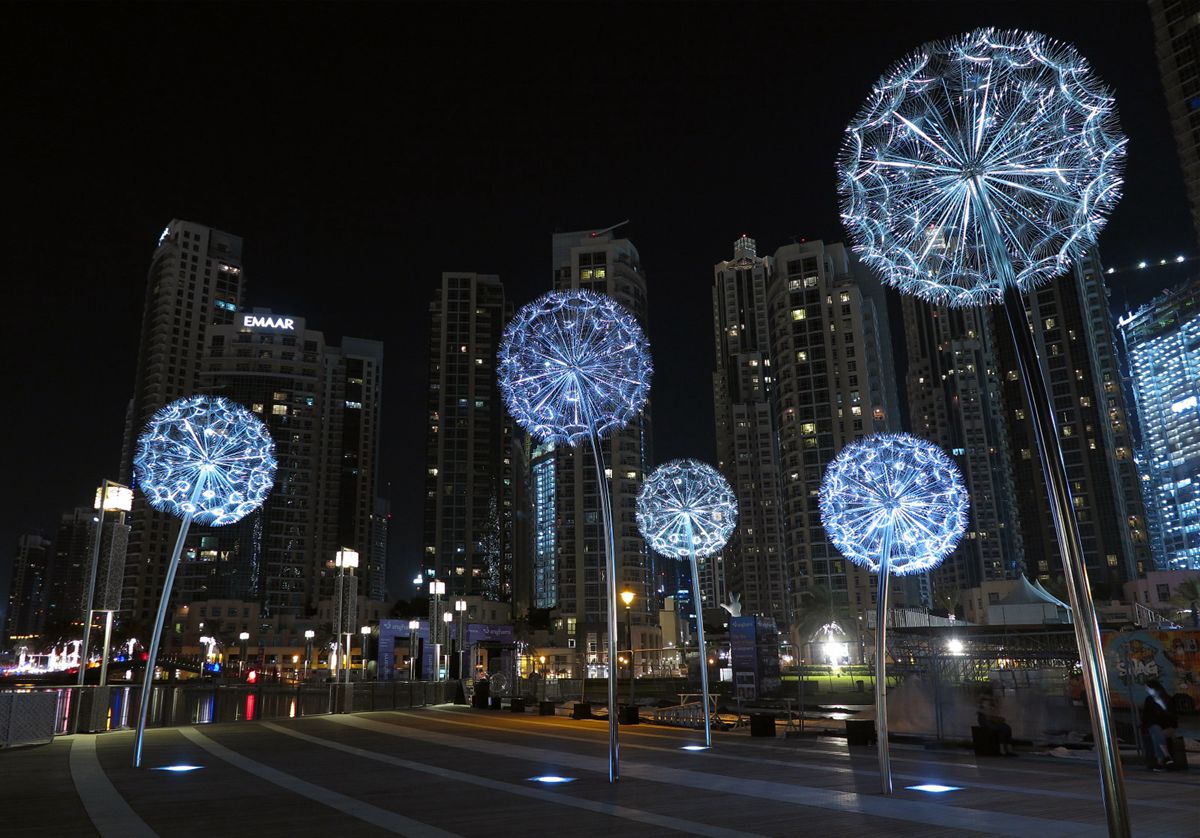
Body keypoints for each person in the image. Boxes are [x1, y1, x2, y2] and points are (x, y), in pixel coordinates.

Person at [1141, 679, 1178, 771]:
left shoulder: (1167, 699)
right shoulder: (1149, 700)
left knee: (1156, 735)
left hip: (1167, 727)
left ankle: (1161, 762)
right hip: (1153, 726)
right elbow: (1146, 717)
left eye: (1148, 688)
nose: (1147, 691)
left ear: (1155, 688)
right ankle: (1167, 757)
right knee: (1156, 730)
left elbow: (1172, 717)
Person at [977, 687, 1016, 756]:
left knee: (1007, 727)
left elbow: (992, 714)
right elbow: (986, 716)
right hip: (986, 722)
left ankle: (1008, 748)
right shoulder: (984, 702)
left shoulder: (990, 702)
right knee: (1002, 729)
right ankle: (1002, 749)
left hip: (990, 721)